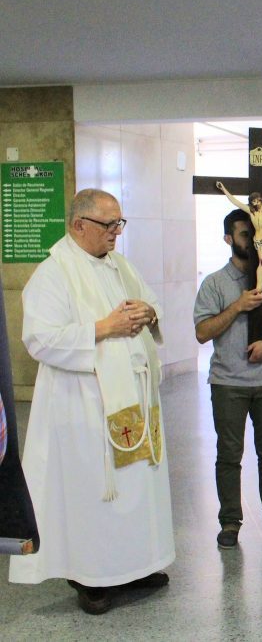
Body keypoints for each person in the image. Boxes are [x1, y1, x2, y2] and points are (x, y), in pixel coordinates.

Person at [8, 189, 174, 614]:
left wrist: (148, 313)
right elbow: (39, 339)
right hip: (83, 405)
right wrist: (104, 327)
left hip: (133, 400)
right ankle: (90, 576)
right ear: (79, 225)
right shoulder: (53, 273)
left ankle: (135, 565)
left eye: (120, 223)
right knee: (95, 493)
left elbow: (152, 302)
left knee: (138, 485)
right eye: (108, 224)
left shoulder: (120, 265)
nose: (116, 232)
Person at [194, 209, 262, 549]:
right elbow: (202, 332)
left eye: (256, 234)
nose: (253, 241)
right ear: (228, 239)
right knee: (229, 454)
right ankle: (230, 521)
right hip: (229, 383)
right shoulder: (214, 283)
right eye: (245, 235)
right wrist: (237, 306)